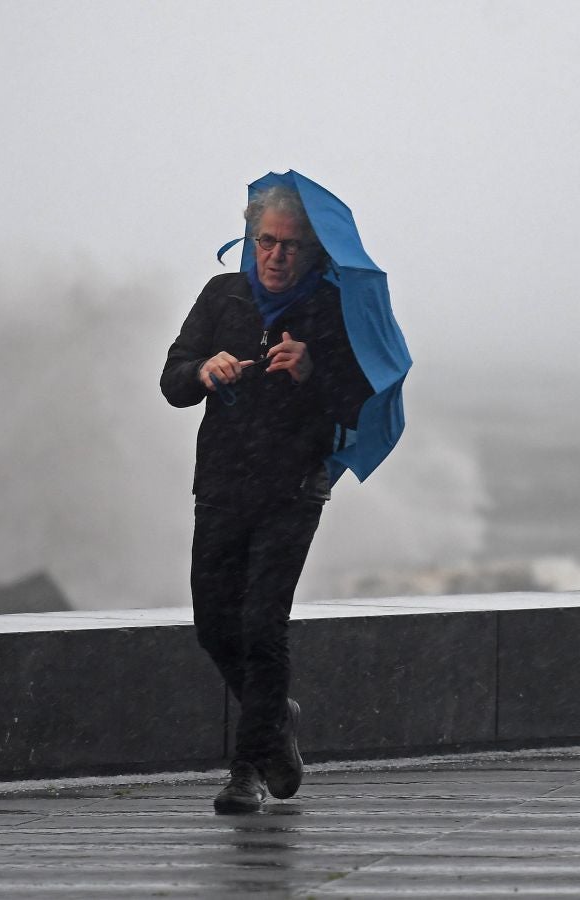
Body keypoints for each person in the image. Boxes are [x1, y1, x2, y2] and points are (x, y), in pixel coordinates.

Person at [161, 183, 373, 814]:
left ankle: (247, 769)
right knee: (213, 624)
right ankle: (277, 716)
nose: (277, 255)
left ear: (313, 251)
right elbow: (172, 380)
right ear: (251, 238)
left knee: (261, 625)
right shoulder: (221, 295)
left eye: (291, 245)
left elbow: (356, 404)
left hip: (293, 488)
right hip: (222, 483)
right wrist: (203, 371)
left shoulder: (332, 310)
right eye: (266, 241)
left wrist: (312, 370)